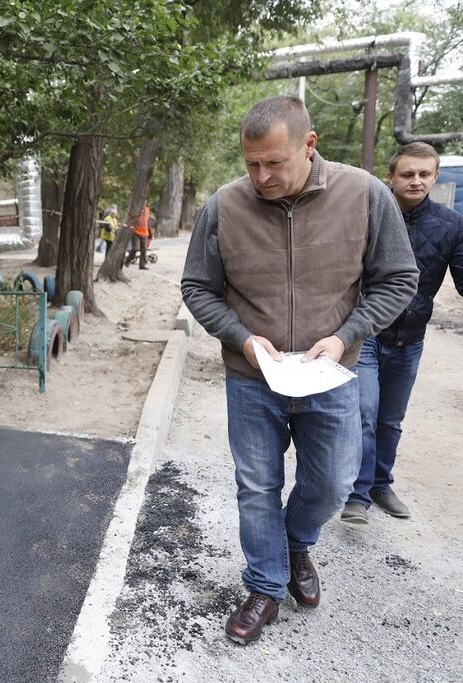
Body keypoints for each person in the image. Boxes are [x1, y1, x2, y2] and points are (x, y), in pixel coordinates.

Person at [181, 96, 418, 645]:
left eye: (274, 163)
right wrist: (242, 339)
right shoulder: (223, 206)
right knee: (256, 485)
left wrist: (345, 336)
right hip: (252, 378)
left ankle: (295, 543)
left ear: (309, 147)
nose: (261, 176)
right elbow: (197, 287)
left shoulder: (364, 195)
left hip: (330, 375)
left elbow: (398, 278)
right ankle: (265, 585)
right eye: (251, 164)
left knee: (334, 483)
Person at [342, 143, 463, 524]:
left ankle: (381, 484)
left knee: (390, 420)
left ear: (435, 176)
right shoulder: (367, 214)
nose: (416, 181)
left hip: (410, 339)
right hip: (366, 334)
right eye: (408, 174)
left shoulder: (451, 224)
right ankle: (357, 495)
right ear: (391, 176)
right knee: (363, 412)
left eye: (424, 174)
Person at [125, 204, 152, 269]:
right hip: (136, 232)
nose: (144, 203)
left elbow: (148, 221)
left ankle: (142, 265)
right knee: (135, 248)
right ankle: (128, 260)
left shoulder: (147, 210)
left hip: (145, 233)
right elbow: (130, 218)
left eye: (145, 202)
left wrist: (150, 232)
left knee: (144, 249)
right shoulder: (136, 209)